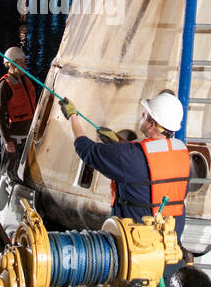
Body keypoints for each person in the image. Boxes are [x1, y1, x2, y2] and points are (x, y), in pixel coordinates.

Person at [60, 90, 191, 242]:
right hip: (169, 242)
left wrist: (72, 116)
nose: (142, 115)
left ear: (153, 125)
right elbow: (151, 167)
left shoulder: (130, 156)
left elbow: (86, 149)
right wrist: (119, 143)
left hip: (136, 244)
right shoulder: (182, 153)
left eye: (146, 113)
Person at [0, 46, 37, 179]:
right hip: (13, 138)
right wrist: (7, 140)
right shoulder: (4, 86)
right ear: (11, 64)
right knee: (8, 173)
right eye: (21, 62)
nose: (24, 64)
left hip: (26, 137)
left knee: (22, 172)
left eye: (24, 61)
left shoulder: (25, 81)